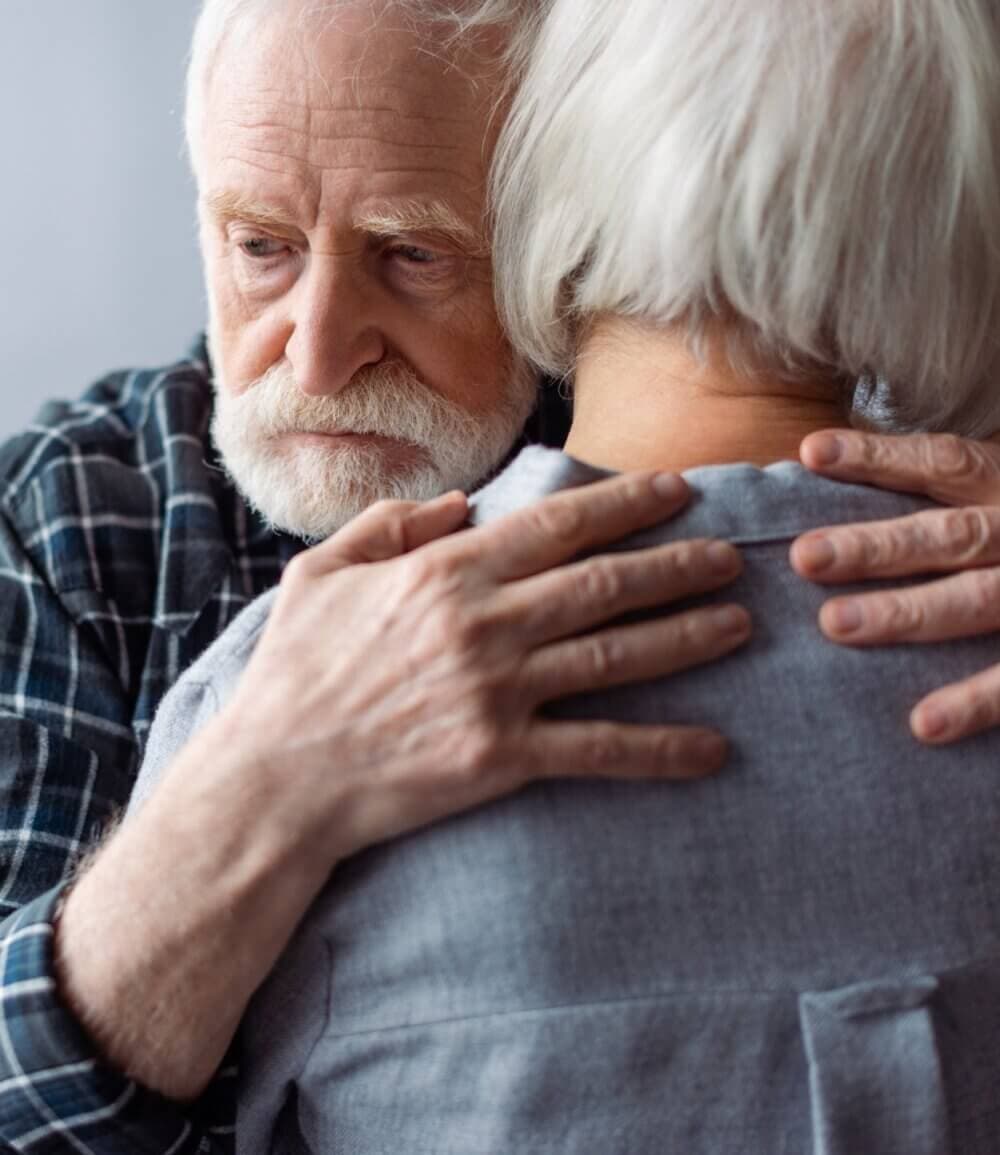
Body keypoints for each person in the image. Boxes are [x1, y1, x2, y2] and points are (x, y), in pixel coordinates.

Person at [3, 0, 1000, 1151]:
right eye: (259, 245)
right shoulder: (70, 519)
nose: (319, 353)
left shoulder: (761, 384)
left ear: (565, 214)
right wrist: (252, 797)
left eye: (417, 253)